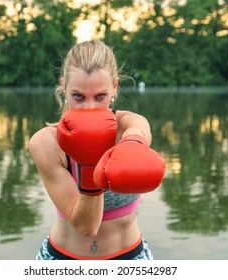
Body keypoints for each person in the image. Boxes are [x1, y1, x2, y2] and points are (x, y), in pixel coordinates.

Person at [29, 40, 165, 260]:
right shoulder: (46, 143)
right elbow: (86, 226)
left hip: (130, 258)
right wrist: (89, 162)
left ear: (114, 87)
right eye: (78, 97)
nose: (89, 108)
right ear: (64, 88)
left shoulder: (128, 125)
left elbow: (139, 130)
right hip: (62, 260)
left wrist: (132, 145)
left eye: (100, 96)